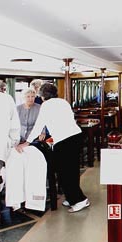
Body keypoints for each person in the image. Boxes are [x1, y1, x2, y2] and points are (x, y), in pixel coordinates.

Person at [15, 83, 89, 213]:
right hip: (76, 136)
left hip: (65, 141)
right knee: (72, 170)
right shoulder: (63, 102)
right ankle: (72, 197)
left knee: (65, 173)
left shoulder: (46, 106)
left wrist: (27, 142)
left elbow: (38, 126)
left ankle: (79, 200)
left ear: (42, 96)